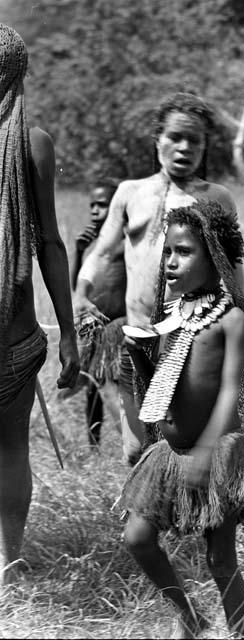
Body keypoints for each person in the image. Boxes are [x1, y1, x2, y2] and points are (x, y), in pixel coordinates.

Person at [114, 202, 244, 639]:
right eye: (167, 251)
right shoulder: (172, 316)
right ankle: (190, 615)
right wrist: (137, 357)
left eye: (183, 252)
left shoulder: (231, 319)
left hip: (218, 452)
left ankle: (241, 634)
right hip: (169, 453)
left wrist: (207, 451)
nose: (170, 261)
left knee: (220, 560)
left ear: (215, 256)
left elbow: (230, 389)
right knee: (137, 538)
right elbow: (163, 392)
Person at [74, 92, 244, 466]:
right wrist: (81, 292)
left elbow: (233, 270)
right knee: (136, 448)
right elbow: (102, 253)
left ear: (205, 146)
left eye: (194, 140)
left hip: (192, 343)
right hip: (137, 339)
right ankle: (145, 510)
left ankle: (186, 512)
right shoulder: (131, 193)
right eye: (175, 137)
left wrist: (240, 327)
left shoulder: (217, 198)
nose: (184, 148)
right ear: (158, 140)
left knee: (184, 439)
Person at [0, 24, 79, 583]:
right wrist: (69, 332)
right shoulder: (34, 142)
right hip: (16, 334)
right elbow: (49, 242)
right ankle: (9, 558)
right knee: (10, 449)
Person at [69, 180, 126, 448]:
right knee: (92, 387)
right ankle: (94, 445)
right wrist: (80, 252)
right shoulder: (95, 245)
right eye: (92, 204)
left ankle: (132, 444)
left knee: (112, 385)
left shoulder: (125, 241)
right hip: (94, 327)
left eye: (102, 205)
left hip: (117, 325)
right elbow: (76, 288)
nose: (94, 210)